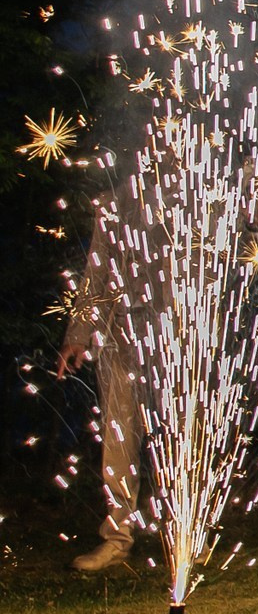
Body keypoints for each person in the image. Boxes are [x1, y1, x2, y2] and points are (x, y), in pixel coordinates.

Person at [55, 223, 140, 573]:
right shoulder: (116, 197)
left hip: (184, 334)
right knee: (118, 439)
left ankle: (186, 535)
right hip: (118, 336)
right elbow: (97, 266)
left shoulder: (204, 182)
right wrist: (78, 331)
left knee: (183, 434)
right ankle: (118, 537)